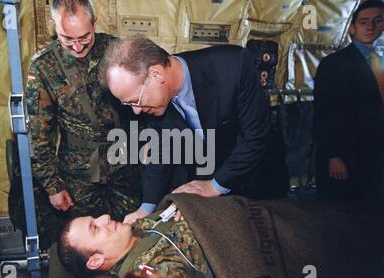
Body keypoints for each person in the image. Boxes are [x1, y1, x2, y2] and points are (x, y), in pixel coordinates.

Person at [99, 35, 288, 224]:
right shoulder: (153, 99)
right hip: (210, 185)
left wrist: (215, 185)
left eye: (135, 101)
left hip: (260, 182)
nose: (136, 111)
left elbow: (255, 136)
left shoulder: (232, 66)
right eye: (128, 104)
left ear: (156, 74)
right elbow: (161, 149)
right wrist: (146, 207)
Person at [22, 0, 141, 248]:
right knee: (88, 243)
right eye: (67, 39)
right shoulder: (44, 66)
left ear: (94, 23)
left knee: (131, 232)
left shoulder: (118, 50)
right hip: (80, 174)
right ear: (55, 27)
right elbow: (38, 134)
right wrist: (53, 186)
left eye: (84, 37)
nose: (77, 46)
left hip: (124, 165)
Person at [57, 211, 263, 278]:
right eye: (95, 228)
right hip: (258, 240)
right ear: (96, 260)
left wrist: (186, 208)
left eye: (96, 217)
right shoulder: (150, 274)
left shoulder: (134, 228)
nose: (105, 217)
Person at [314, 0, 384, 213]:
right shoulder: (334, 64)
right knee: (345, 219)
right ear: (352, 28)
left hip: (375, 157)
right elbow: (324, 113)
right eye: (363, 22)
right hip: (348, 157)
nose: (370, 27)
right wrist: (333, 155)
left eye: (377, 20)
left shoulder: (380, 61)